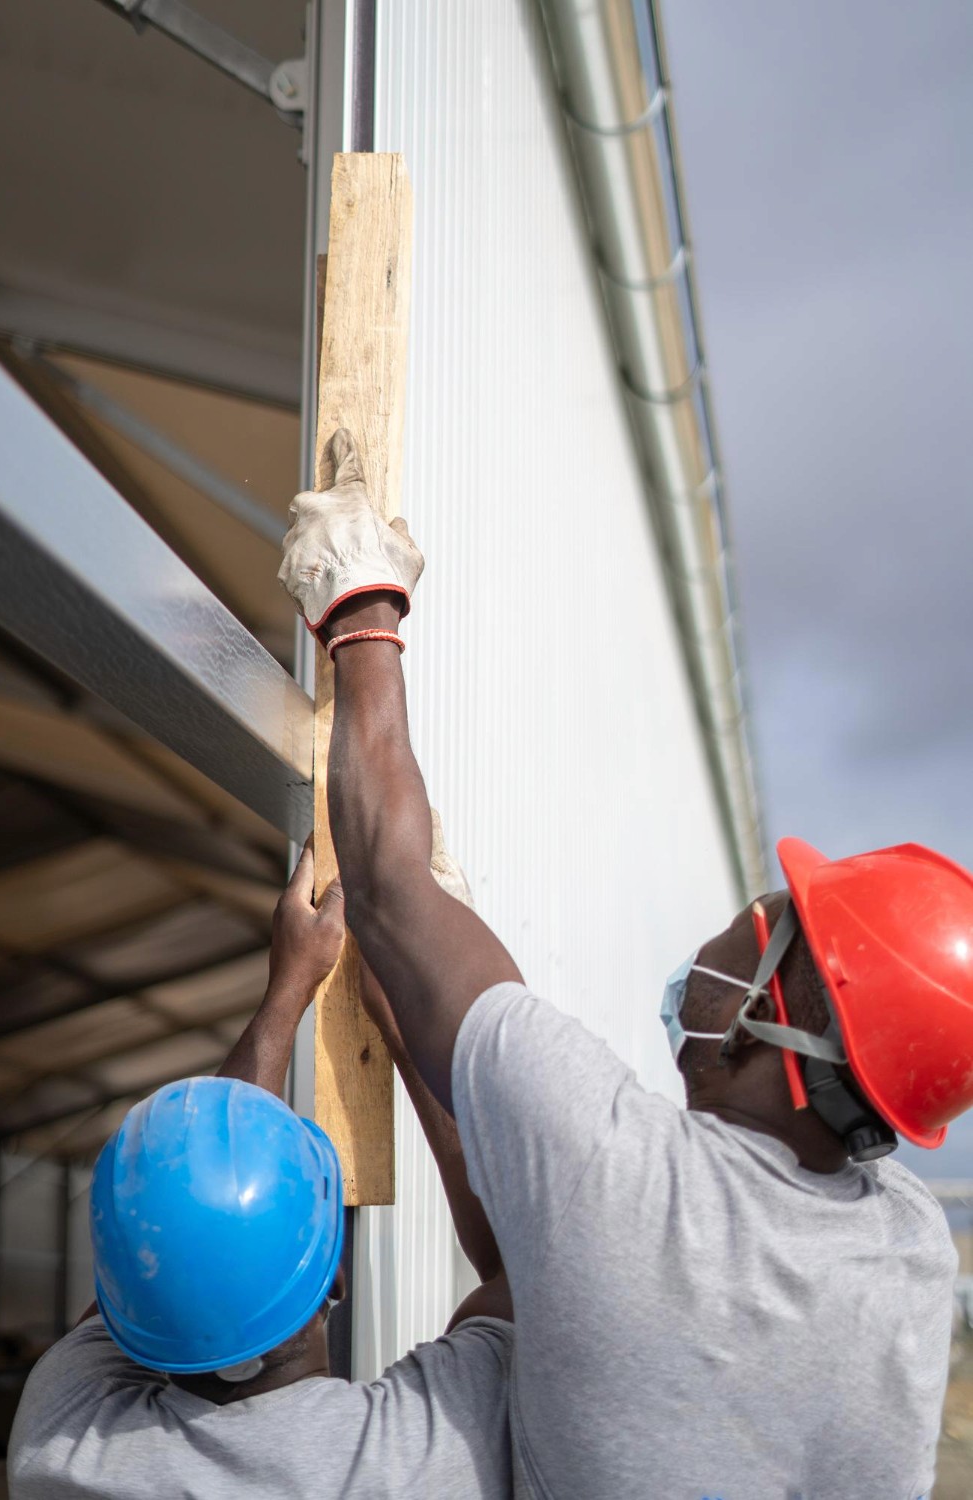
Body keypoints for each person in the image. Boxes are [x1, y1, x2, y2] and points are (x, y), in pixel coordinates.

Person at [277, 428, 973, 1500]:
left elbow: (385, 884)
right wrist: (415, 1033)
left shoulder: (621, 1170)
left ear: (779, 1013)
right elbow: (552, 1259)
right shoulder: (912, 1257)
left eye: (765, 917)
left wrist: (360, 603)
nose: (737, 922)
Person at [8, 840, 514, 1500]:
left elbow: (174, 1225)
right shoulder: (418, 1454)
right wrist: (404, 1025)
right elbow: (519, 1274)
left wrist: (289, 988)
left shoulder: (62, 1447)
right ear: (335, 1277)